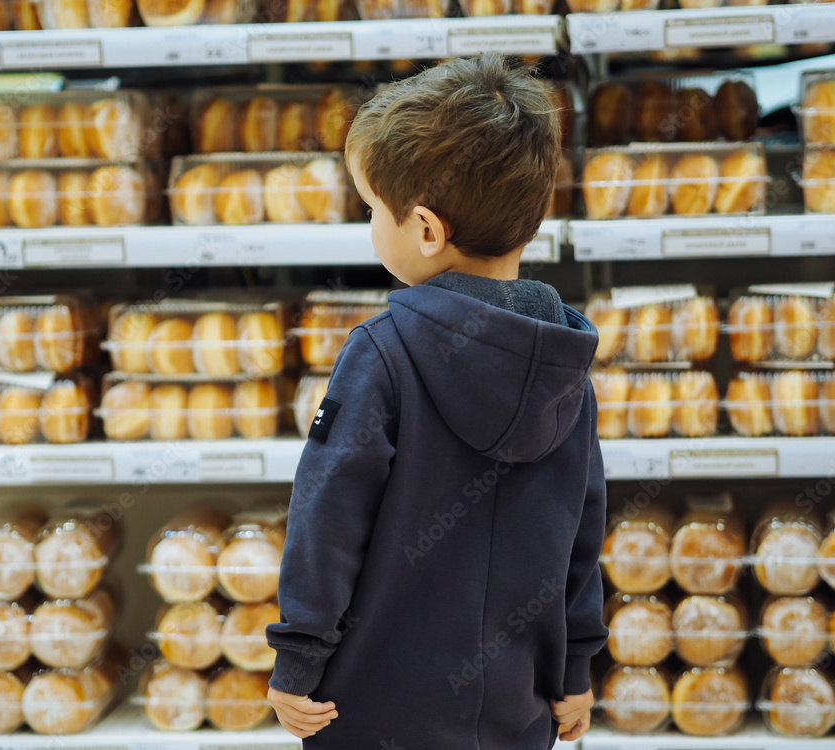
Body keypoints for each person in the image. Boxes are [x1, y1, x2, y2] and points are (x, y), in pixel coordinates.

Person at [266, 53, 608, 749]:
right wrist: (576, 665)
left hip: (374, 708)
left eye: (371, 208)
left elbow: (328, 516)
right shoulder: (565, 363)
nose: (369, 224)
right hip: (517, 706)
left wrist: (298, 657)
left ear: (425, 229)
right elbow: (583, 530)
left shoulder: (381, 353)